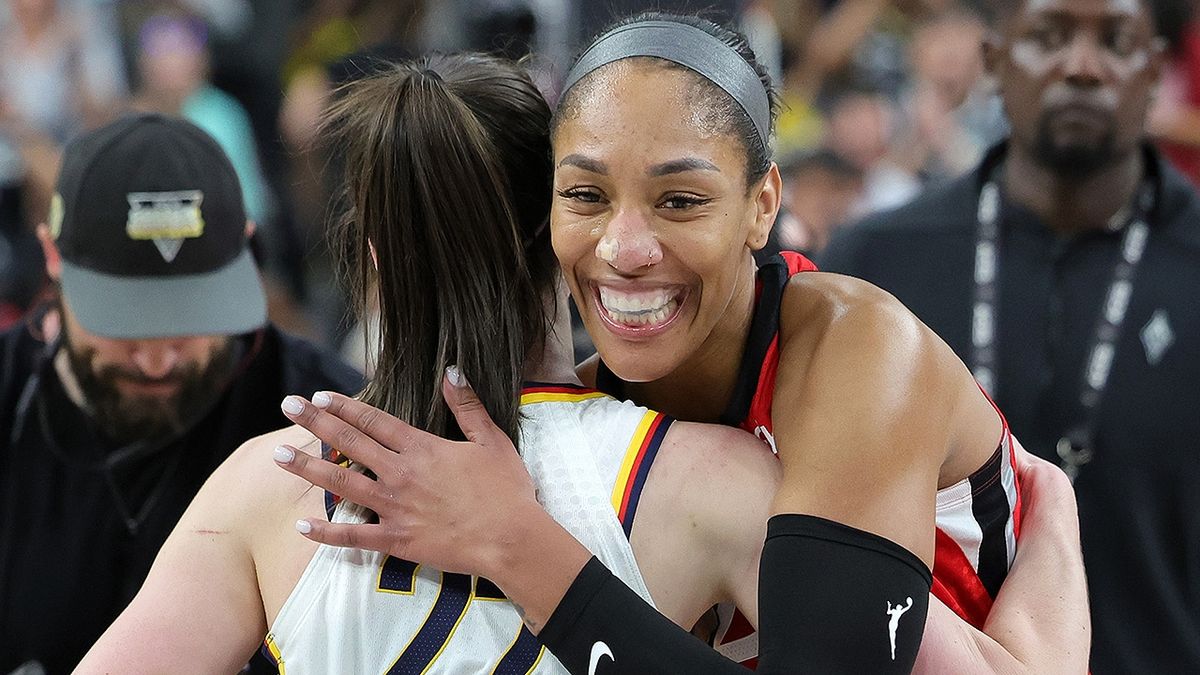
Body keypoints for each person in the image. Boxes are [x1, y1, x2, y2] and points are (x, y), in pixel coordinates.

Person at [83, 54, 1083, 674]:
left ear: (372, 258)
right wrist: (1060, 535)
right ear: (558, 227)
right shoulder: (724, 479)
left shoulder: (266, 484)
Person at [819, 0, 1200, 670]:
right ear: (994, 61)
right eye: (1049, 36)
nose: (1081, 67)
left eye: (1115, 40)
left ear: (1155, 71)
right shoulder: (875, 263)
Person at [0, 113, 362, 674]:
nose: (156, 360)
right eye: (122, 323)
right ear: (52, 257)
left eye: (191, 321)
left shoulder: (328, 418)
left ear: (245, 254)